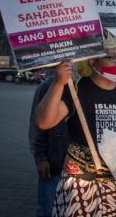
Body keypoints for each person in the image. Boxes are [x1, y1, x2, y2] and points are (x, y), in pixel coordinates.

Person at [36, 35, 116, 216]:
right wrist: (58, 83)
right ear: (93, 61)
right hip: (81, 182)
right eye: (112, 57)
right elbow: (44, 122)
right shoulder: (77, 89)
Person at [29, 76, 69, 217]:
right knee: (48, 210)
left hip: (79, 169)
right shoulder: (47, 87)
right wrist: (39, 156)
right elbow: (37, 126)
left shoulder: (86, 86)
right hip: (54, 163)